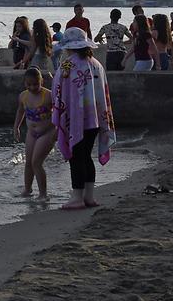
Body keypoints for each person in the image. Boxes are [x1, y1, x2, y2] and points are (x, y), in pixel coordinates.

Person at [52, 27, 115, 210]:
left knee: (76, 156)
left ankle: (77, 197)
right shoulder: (96, 63)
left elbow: (58, 87)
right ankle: (89, 196)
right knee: (86, 156)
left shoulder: (67, 65)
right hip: (95, 117)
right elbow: (103, 91)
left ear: (69, 47)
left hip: (75, 117)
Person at [12, 68, 56, 201]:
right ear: (25, 83)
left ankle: (43, 194)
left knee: (36, 162)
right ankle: (27, 189)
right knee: (28, 163)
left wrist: (60, 130)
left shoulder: (48, 95)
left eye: (36, 84)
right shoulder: (23, 96)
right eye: (29, 84)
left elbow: (61, 111)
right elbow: (20, 111)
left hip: (47, 132)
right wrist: (16, 127)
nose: (32, 87)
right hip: (31, 133)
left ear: (41, 81)